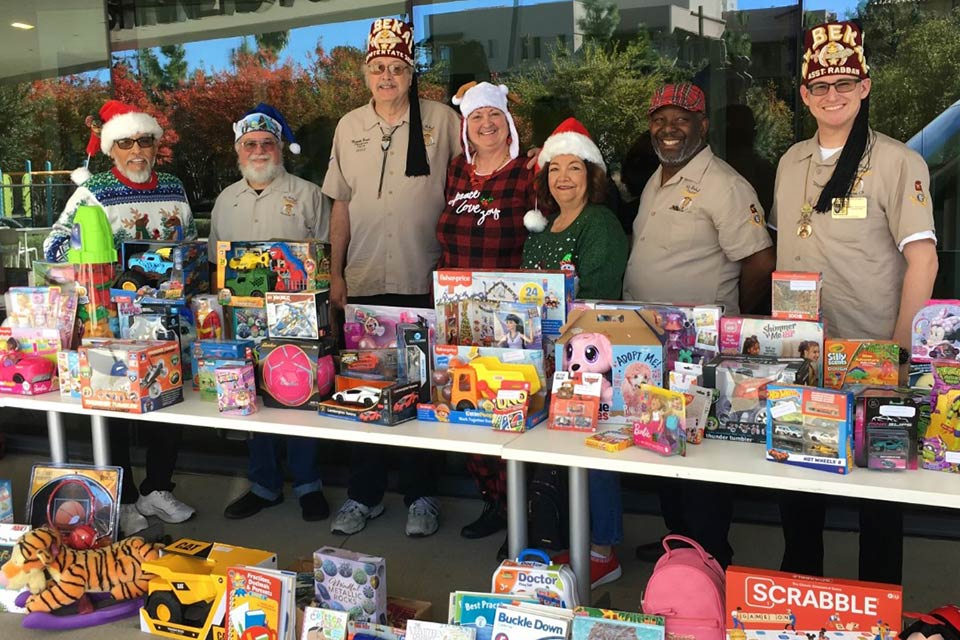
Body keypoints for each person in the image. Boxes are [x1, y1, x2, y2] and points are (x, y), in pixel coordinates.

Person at [771, 20, 938, 585]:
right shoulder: (791, 161)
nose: (833, 95)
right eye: (820, 86)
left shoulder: (896, 162)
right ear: (805, 95)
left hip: (872, 360)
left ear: (865, 88)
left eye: (845, 83)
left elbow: (924, 262)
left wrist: (897, 354)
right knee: (798, 486)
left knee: (880, 500)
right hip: (802, 356)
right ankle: (798, 599)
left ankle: (876, 606)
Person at [622, 83, 775, 568]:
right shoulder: (658, 178)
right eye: (660, 119)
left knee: (701, 454)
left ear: (703, 126)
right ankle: (679, 542)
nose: (669, 128)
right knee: (664, 439)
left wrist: (731, 323)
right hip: (652, 348)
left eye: (681, 119)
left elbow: (759, 262)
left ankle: (710, 555)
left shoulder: (725, 185)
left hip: (700, 350)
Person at [322, 18, 461, 538]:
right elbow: (341, 205)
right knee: (363, 387)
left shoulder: (443, 122)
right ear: (365, 74)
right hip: (363, 279)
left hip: (421, 277)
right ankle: (363, 496)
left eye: (396, 68)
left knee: (421, 390)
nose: (387, 76)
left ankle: (422, 495)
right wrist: (336, 275)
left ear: (410, 73)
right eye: (378, 68)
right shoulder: (348, 125)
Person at [42, 99, 198, 536]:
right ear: (112, 149)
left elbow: (191, 242)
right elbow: (54, 249)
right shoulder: (91, 192)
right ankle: (125, 499)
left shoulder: (173, 185)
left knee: (168, 404)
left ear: (154, 145)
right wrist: (107, 266)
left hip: (168, 322)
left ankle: (156, 489)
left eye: (144, 141)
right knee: (113, 411)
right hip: (112, 324)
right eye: (126, 142)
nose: (136, 151)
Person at [521, 117, 629, 587]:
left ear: (593, 175)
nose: (563, 178)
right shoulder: (544, 226)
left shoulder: (599, 223)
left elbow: (601, 297)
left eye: (575, 168)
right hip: (545, 358)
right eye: (555, 169)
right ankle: (574, 538)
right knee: (562, 449)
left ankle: (603, 550)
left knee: (592, 450)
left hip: (587, 358)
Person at [214, 104, 331, 523]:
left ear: (280, 149)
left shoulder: (308, 194)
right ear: (238, 152)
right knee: (252, 398)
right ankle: (263, 484)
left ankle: (308, 484)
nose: (259, 150)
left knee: (301, 396)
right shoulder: (226, 200)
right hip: (243, 320)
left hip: (297, 318)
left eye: (267, 143)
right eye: (250, 145)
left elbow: (326, 258)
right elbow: (218, 264)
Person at [436, 80, 536, 542]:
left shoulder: (529, 173)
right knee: (470, 410)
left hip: (511, 320)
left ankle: (527, 512)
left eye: (493, 115)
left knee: (513, 413)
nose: (486, 124)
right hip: (460, 315)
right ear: (465, 127)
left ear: (508, 121)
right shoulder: (457, 170)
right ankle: (494, 502)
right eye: (476, 117)